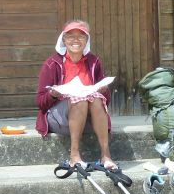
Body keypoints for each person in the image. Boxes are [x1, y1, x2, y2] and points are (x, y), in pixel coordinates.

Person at [35, 19, 115, 170]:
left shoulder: (94, 61)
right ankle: (74, 155)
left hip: (88, 122)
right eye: (71, 36)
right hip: (60, 120)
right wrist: (53, 94)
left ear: (87, 40)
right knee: (79, 99)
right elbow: (40, 102)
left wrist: (104, 91)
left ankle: (106, 156)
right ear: (64, 40)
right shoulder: (52, 63)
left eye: (81, 36)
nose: (76, 40)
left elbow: (106, 102)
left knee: (96, 99)